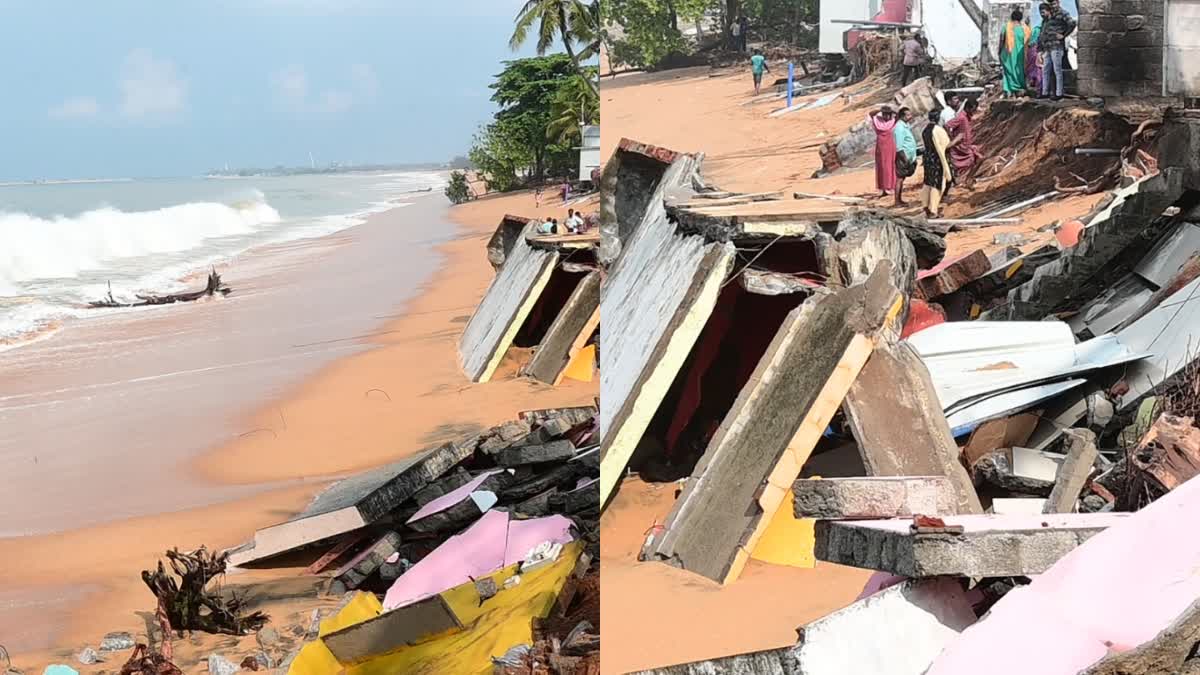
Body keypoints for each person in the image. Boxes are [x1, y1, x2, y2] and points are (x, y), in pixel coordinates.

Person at [1038, 1, 1076, 100]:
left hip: (1057, 46)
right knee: (1046, 70)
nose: (1052, 5)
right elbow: (1042, 32)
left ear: (1058, 2)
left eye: (1054, 3)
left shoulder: (1063, 13)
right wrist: (1040, 49)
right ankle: (1045, 92)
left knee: (1057, 70)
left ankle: (1059, 93)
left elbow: (1072, 23)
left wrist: (1064, 35)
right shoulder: (1048, 17)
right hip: (1047, 47)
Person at [922, 109, 954, 217]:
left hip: (927, 159)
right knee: (937, 184)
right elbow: (946, 145)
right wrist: (957, 140)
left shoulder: (925, 130)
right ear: (938, 118)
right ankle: (933, 211)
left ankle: (926, 206)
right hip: (937, 159)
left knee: (928, 182)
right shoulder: (938, 130)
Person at [945, 98, 983, 189]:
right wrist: (953, 139)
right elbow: (947, 125)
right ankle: (967, 180)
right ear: (968, 108)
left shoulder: (967, 117)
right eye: (973, 110)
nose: (974, 112)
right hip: (961, 147)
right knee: (978, 159)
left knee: (979, 159)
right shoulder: (961, 117)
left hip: (967, 146)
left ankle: (968, 179)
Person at [999, 9, 1031, 97]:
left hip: (1008, 53)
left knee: (1008, 71)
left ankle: (1008, 90)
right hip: (1021, 54)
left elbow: (1002, 40)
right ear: (1021, 18)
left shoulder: (1006, 27)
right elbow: (1029, 42)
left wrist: (999, 52)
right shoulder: (1026, 29)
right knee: (1019, 70)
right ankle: (1019, 88)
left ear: (1011, 17)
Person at [869, 106, 899, 197]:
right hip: (881, 146)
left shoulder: (892, 121)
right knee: (882, 166)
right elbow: (871, 113)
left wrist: (891, 111)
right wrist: (881, 110)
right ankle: (883, 187)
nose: (887, 117)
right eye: (885, 114)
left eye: (888, 115)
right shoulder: (878, 121)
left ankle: (890, 186)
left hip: (890, 146)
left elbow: (898, 115)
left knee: (890, 165)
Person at [893, 107, 918, 207]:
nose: (910, 116)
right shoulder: (899, 127)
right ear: (903, 116)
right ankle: (897, 201)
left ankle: (899, 200)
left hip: (909, 156)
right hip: (903, 157)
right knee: (899, 179)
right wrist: (905, 159)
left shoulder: (905, 126)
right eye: (908, 115)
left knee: (902, 178)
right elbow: (899, 146)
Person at [1026, 16, 1043, 94]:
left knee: (1036, 67)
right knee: (1037, 68)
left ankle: (1035, 83)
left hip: (1034, 50)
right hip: (1036, 49)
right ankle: (1037, 85)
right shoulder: (1038, 29)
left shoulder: (1037, 29)